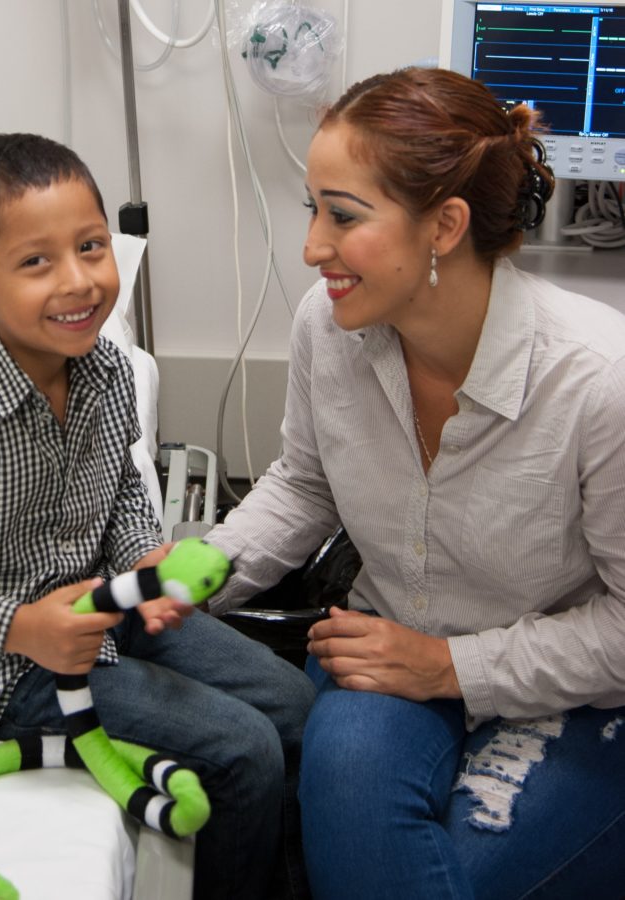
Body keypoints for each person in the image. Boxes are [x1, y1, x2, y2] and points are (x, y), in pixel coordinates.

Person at [205, 67, 625, 898]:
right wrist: (183, 579)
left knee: (456, 875)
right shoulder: (328, 327)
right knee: (359, 836)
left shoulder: (596, 382)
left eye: (343, 215)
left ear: (446, 225)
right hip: (387, 651)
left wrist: (450, 666)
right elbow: (304, 485)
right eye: (312, 209)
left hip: (575, 688)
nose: (312, 246)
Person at [0, 132, 315, 900]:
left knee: (293, 701)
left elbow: (116, 485)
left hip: (106, 609)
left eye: (90, 246)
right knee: (244, 749)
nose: (79, 281)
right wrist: (20, 626)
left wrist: (144, 561)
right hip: (1, 666)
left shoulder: (110, 370)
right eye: (35, 262)